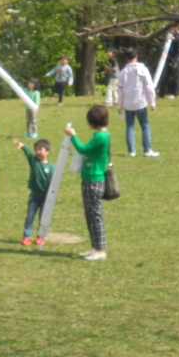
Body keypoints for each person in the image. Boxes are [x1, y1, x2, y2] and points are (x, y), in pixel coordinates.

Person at [64, 105, 110, 261]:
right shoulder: (101, 135)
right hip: (90, 179)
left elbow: (82, 149)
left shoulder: (100, 137)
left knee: (95, 216)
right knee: (90, 216)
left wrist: (73, 136)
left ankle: (100, 250)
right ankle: (94, 247)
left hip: (93, 180)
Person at [118, 48, 159, 158]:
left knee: (129, 127)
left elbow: (120, 90)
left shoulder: (122, 72)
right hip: (140, 102)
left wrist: (120, 105)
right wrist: (153, 101)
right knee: (145, 125)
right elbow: (149, 85)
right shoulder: (142, 69)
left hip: (128, 104)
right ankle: (147, 149)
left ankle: (131, 151)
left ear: (126, 58)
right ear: (136, 56)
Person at [13, 137, 54, 246]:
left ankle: (41, 237)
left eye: (41, 149)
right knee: (30, 216)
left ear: (47, 152)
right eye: (36, 149)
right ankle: (26, 237)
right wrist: (22, 146)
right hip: (34, 196)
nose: (38, 152)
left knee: (43, 218)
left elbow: (53, 183)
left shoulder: (51, 168)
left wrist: (51, 196)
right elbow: (28, 153)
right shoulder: (34, 161)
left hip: (46, 197)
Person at [159, 23, 179, 99]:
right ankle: (161, 93)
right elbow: (160, 39)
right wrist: (165, 37)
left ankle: (174, 94)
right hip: (167, 57)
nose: (173, 28)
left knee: (175, 76)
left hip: (177, 58)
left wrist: (174, 38)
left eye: (175, 26)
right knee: (164, 76)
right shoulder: (168, 33)